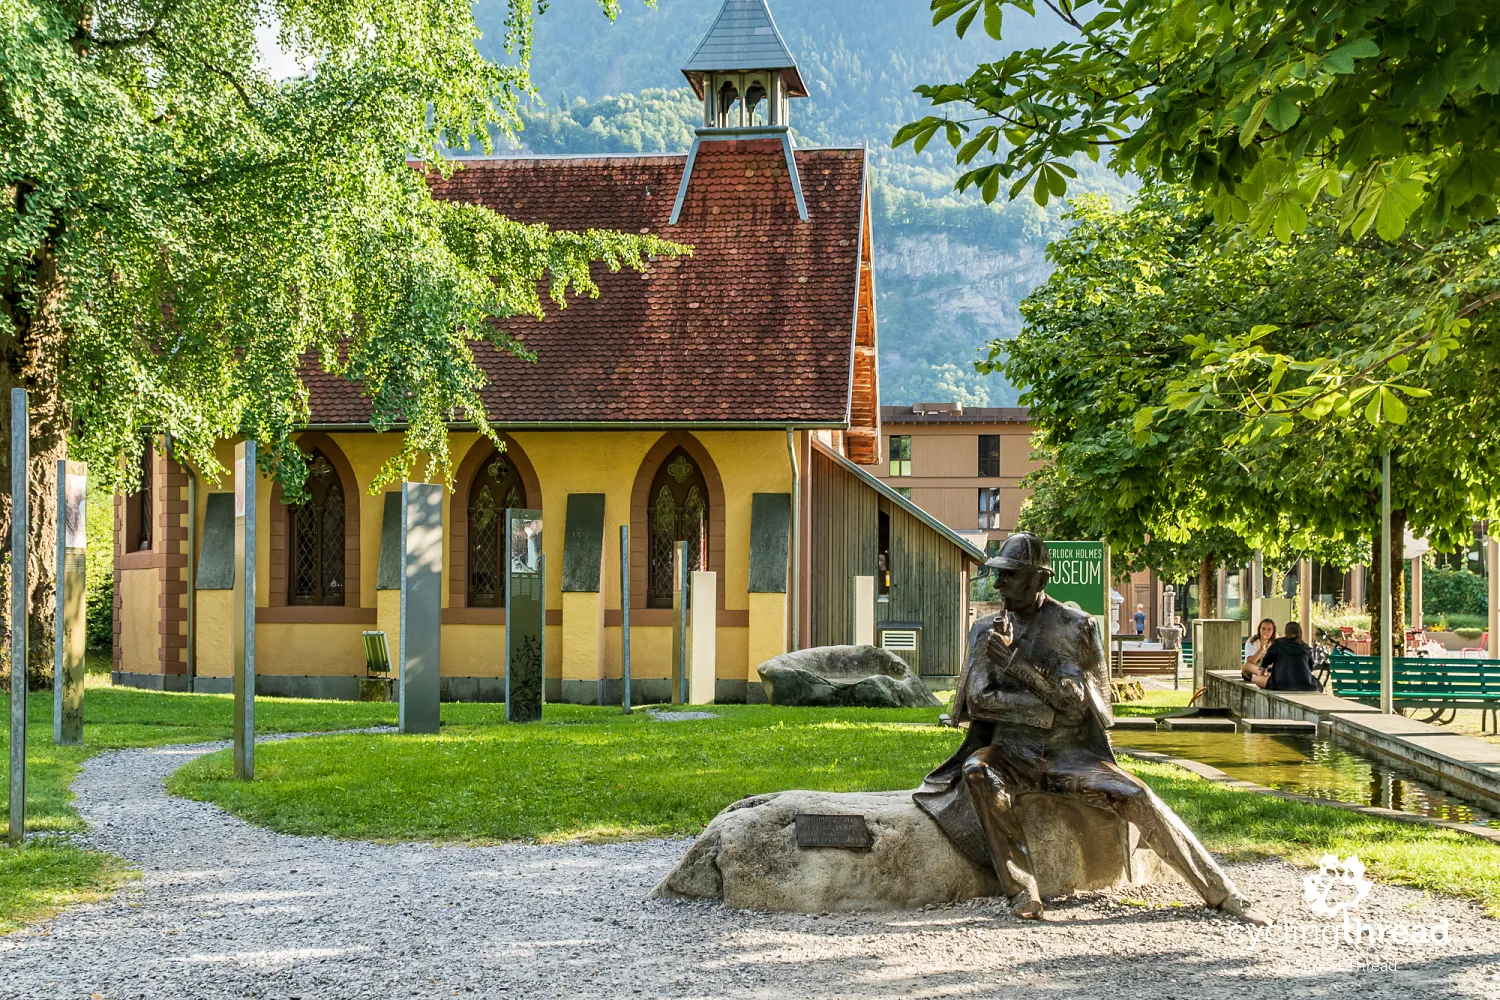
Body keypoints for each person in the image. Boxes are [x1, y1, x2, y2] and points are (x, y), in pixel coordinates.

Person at [913, 533, 1265, 924]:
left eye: (1009, 576)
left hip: (1070, 754)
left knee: (1136, 794)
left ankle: (1221, 892)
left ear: (1039, 579)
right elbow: (980, 701)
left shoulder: (1074, 627)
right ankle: (1021, 890)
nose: (998, 585)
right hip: (1010, 752)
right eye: (998, 576)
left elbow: (1076, 703)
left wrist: (1015, 665)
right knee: (977, 770)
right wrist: (1045, 708)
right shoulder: (985, 630)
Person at [1250, 621, 1321, 691]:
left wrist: (1262, 673)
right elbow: (1310, 667)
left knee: (1255, 679)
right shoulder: (1305, 647)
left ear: (1286, 632)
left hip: (1281, 684)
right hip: (1304, 684)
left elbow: (1266, 660)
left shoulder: (1278, 644)